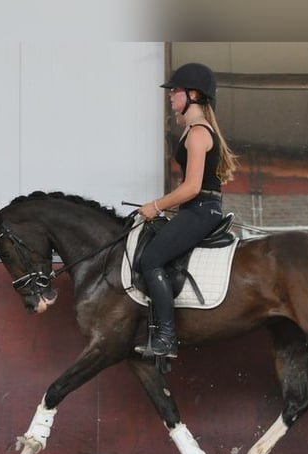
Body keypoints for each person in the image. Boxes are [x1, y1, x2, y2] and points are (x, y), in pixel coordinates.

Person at [136, 62, 238, 358]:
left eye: (175, 91)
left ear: (193, 94)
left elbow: (192, 187)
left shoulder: (196, 133)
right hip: (196, 209)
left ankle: (166, 338)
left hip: (200, 208)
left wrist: (155, 206)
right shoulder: (196, 131)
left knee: (151, 259)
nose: (170, 96)